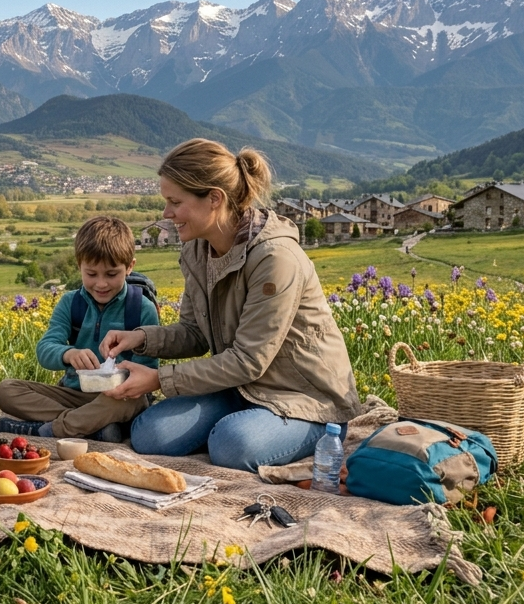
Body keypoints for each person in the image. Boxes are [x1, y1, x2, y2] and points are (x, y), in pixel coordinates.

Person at [99, 138, 361, 472]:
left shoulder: (275, 258)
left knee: (229, 443)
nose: (166, 214)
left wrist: (159, 380)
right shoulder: (198, 250)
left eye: (174, 202)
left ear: (214, 199)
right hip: (240, 388)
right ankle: (239, 425)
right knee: (151, 435)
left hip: (306, 400)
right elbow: (194, 333)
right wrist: (140, 337)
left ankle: (284, 433)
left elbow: (249, 360)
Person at [0, 216, 159, 442]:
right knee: (6, 390)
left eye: (111, 274)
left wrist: (119, 374)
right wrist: (69, 354)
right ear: (79, 265)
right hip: (73, 394)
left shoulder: (142, 308)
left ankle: (46, 431)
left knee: (132, 402)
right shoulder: (71, 303)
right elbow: (45, 349)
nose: (101, 284)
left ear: (130, 267)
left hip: (118, 398)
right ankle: (92, 427)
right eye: (91, 274)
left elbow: (147, 370)